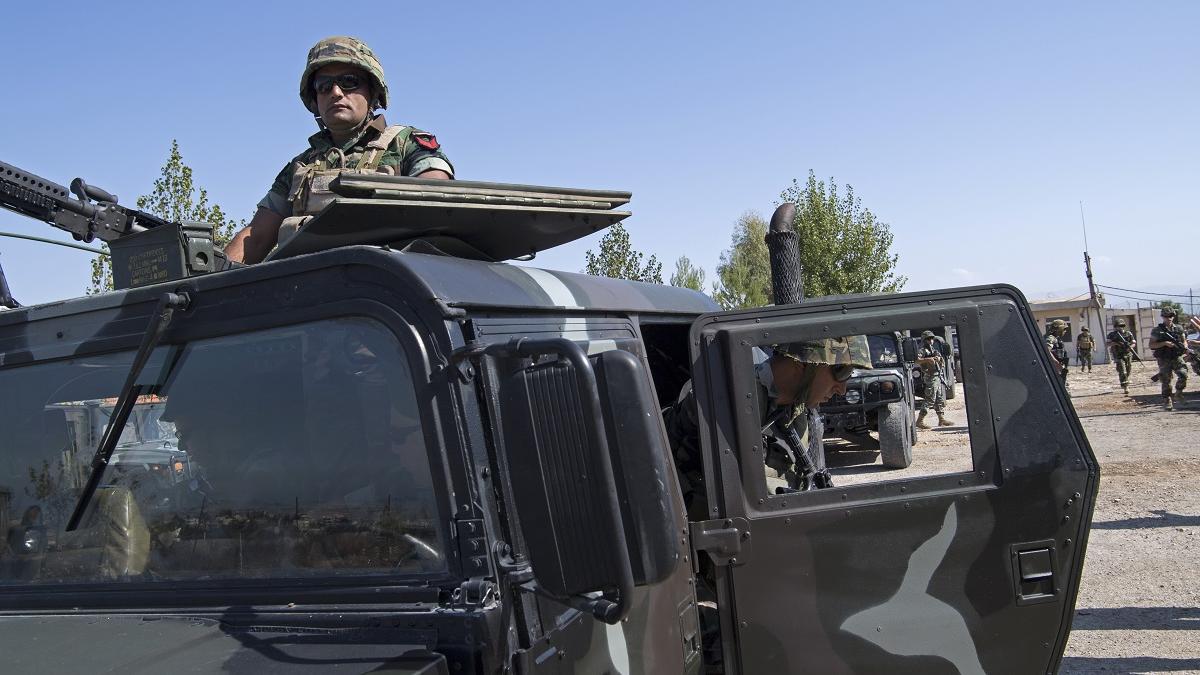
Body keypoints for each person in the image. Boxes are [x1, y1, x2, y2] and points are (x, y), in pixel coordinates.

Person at [225, 36, 455, 265]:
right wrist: (211, 276)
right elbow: (256, 237)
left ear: (373, 91)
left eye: (349, 81)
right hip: (311, 282)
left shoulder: (405, 144)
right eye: (323, 86)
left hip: (385, 280)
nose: (335, 92)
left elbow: (436, 203)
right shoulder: (300, 167)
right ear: (314, 99)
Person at [664, 336, 870, 519]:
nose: (842, 389)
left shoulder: (798, 410)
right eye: (841, 371)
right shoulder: (727, 400)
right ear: (802, 361)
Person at [1148, 308, 1189, 410]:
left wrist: (1184, 347)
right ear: (1162, 317)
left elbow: (1184, 340)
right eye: (1166, 316)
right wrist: (1164, 343)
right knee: (1166, 380)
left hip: (1176, 356)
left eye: (1171, 316)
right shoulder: (1157, 330)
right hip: (1164, 358)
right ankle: (1167, 400)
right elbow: (1151, 345)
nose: (1169, 318)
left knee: (1183, 374)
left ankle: (1178, 393)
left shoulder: (1178, 328)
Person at [916, 330, 954, 428]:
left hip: (937, 376)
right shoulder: (922, 350)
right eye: (928, 339)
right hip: (930, 377)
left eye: (932, 338)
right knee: (930, 399)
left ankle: (941, 419)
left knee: (939, 399)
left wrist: (939, 359)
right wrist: (927, 360)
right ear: (924, 340)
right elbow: (916, 360)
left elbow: (941, 360)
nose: (931, 340)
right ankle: (920, 421)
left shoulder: (933, 350)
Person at [1106, 319, 1137, 394]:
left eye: (1121, 326)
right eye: (1118, 326)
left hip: (1128, 354)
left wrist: (1130, 347)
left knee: (1128, 369)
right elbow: (1107, 344)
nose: (1120, 327)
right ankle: (1125, 386)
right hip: (1118, 355)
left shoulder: (1128, 333)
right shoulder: (1112, 335)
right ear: (1115, 327)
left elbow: (1133, 343)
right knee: (1122, 370)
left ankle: (1125, 380)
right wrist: (1117, 343)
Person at [1045, 319, 1070, 393]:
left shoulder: (1056, 339)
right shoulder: (1051, 338)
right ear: (1059, 329)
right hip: (1054, 369)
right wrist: (1057, 363)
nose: (1065, 331)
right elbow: (1046, 350)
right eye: (1064, 329)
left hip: (1057, 369)